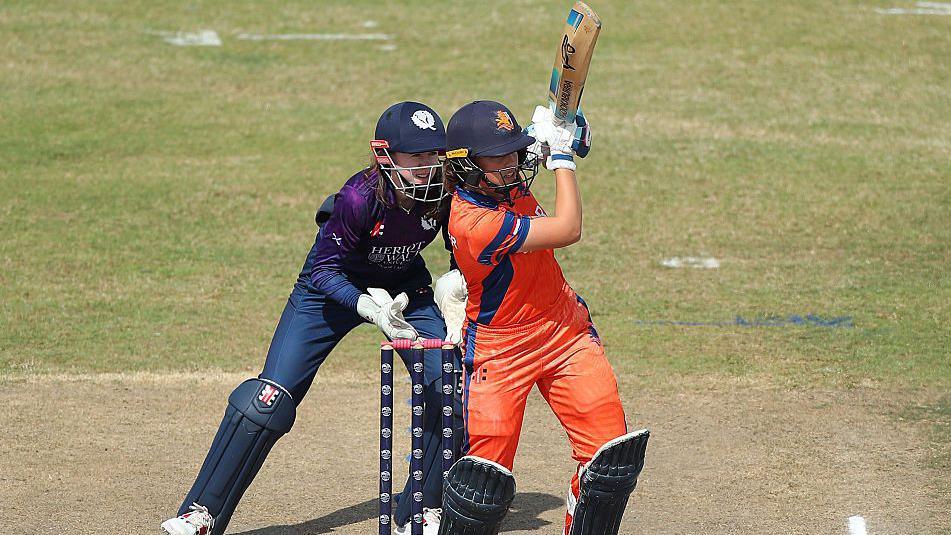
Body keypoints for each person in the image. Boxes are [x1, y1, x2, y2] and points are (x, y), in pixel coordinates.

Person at [160, 101, 461, 535]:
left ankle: (422, 510)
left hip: (404, 291)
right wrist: (367, 307)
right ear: (386, 156)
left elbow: (468, 235)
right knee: (266, 402)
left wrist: (455, 289)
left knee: (448, 383)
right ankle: (200, 514)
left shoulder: (447, 191)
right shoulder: (358, 198)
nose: (429, 167)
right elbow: (323, 270)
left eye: (435, 155)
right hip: (330, 290)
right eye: (416, 157)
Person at [434, 101, 650, 535]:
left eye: (514, 152)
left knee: (609, 463)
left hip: (564, 332)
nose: (512, 165)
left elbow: (565, 141)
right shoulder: (473, 220)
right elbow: (568, 228)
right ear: (465, 166)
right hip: (500, 348)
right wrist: (563, 157)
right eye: (499, 157)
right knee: (483, 486)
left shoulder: (500, 176)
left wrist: (570, 129)